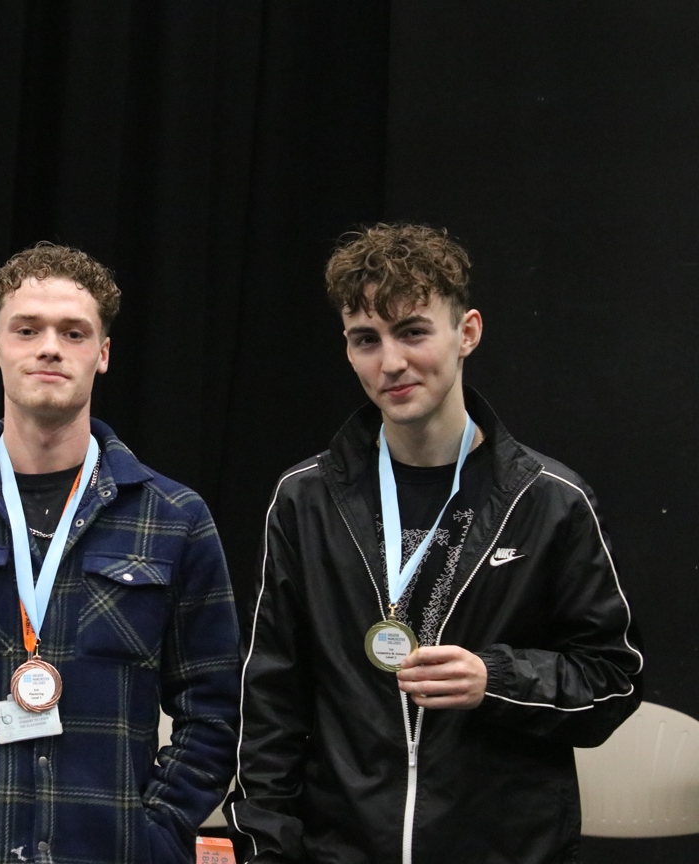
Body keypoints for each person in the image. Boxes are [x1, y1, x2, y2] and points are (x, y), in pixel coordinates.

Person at [225, 223, 644, 863]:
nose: (390, 362)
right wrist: (267, 850)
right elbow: (271, 707)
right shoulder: (305, 499)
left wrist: (495, 677)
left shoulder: (551, 501)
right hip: (342, 848)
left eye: (413, 331)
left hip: (503, 846)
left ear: (466, 333)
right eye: (366, 340)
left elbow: (614, 678)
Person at [0, 242, 240, 864]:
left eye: (73, 332)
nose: (50, 346)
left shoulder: (175, 519)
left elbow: (213, 709)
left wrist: (154, 834)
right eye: (27, 329)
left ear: (102, 354)